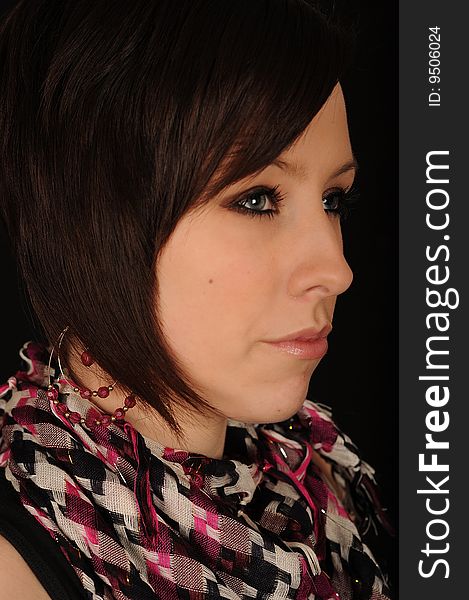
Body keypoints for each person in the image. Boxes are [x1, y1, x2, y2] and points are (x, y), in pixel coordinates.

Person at [0, 0, 394, 598]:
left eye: (334, 199)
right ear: (96, 222)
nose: (336, 270)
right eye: (258, 199)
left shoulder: (322, 483)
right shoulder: (18, 565)